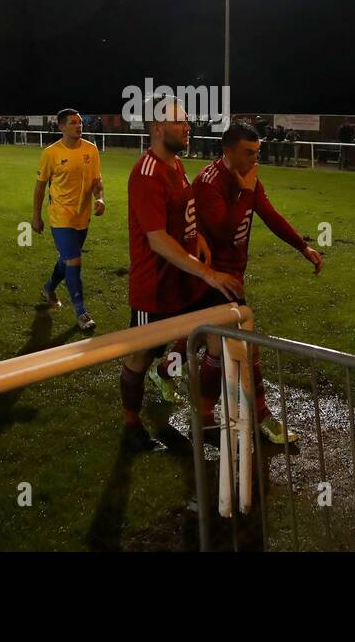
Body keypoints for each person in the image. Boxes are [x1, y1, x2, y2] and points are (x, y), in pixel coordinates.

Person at [119, 99, 243, 453]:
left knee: (210, 337)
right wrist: (208, 273)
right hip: (154, 289)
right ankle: (131, 424)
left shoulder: (176, 164)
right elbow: (157, 240)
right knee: (141, 355)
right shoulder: (146, 173)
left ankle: (202, 416)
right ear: (158, 127)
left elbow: (181, 216)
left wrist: (197, 237)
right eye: (180, 122)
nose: (188, 127)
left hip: (184, 282)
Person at [192, 121, 324, 443]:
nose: (255, 159)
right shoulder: (209, 182)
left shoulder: (250, 179)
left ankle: (188, 393)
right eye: (248, 153)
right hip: (213, 278)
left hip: (233, 275)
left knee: (212, 346)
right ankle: (257, 417)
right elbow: (223, 233)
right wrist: (246, 191)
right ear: (227, 151)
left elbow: (267, 212)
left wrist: (302, 245)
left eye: (257, 152)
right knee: (241, 348)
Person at [32, 108, 103, 332]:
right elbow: (40, 186)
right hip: (60, 216)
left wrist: (100, 199)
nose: (78, 126)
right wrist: (36, 216)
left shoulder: (91, 150)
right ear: (61, 126)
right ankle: (81, 312)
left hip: (83, 216)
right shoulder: (51, 153)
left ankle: (48, 287)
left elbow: (97, 182)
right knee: (74, 261)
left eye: (80, 123)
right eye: (73, 123)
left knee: (66, 260)